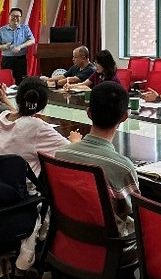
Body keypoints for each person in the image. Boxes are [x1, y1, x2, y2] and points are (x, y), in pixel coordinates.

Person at [0, 78, 81, 279]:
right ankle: (28, 266)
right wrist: (75, 139)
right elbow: (70, 153)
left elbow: (19, 119)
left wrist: (6, 101)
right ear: (43, 104)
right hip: (26, 197)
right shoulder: (37, 127)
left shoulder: (3, 118)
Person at [54, 81, 139, 238]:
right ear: (124, 117)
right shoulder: (123, 167)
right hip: (111, 246)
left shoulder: (60, 155)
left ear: (88, 113)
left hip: (68, 237)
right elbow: (135, 211)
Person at [0, 7, 36, 86]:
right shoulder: (1, 30)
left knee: (21, 82)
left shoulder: (25, 28)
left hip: (21, 59)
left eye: (18, 16)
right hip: (7, 59)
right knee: (6, 82)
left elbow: (32, 40)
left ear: (20, 17)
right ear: (9, 16)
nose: (15, 18)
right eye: (13, 16)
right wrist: (4, 46)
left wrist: (21, 46)